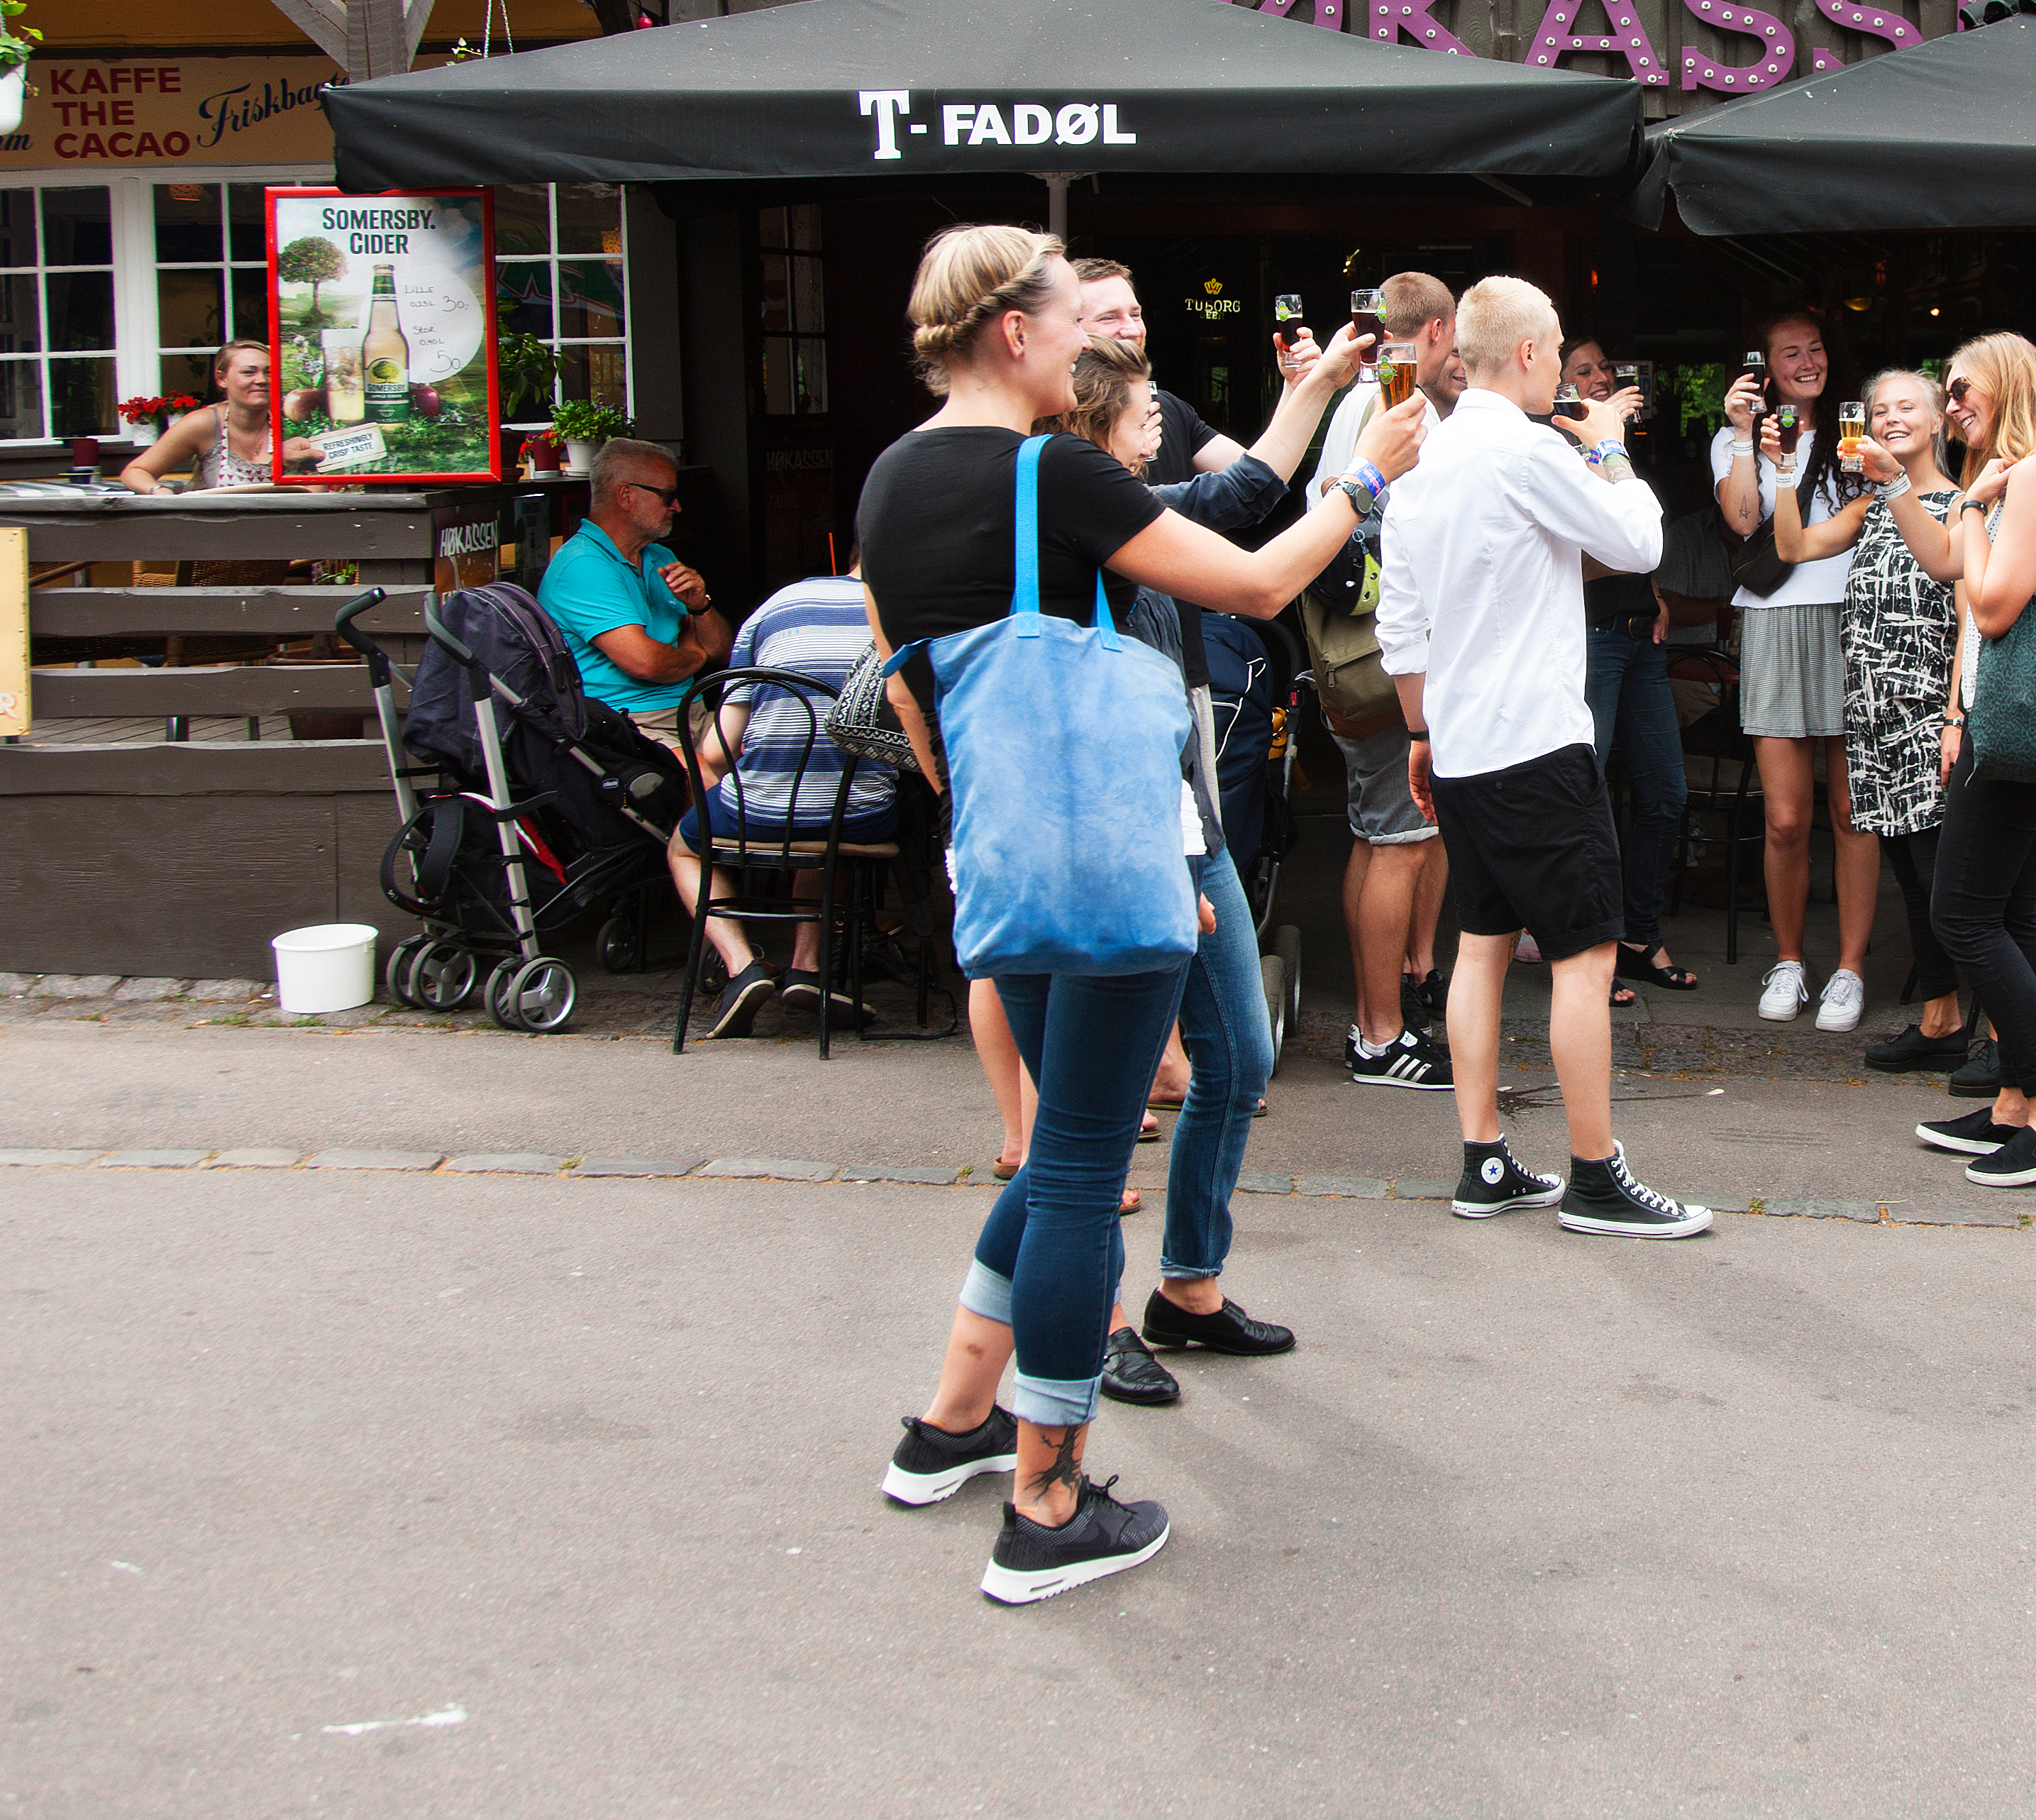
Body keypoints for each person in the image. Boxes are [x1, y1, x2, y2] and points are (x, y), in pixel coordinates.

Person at [865, 226, 1422, 1604]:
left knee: (1056, 1154)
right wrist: (1363, 478)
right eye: (1069, 320)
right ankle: (1047, 1500)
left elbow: (902, 680)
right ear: (1010, 332)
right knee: (1075, 1178)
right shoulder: (1046, 469)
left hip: (1004, 844)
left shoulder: (892, 475)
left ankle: (949, 1428)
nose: (1091, 346)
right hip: (1104, 845)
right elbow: (1252, 580)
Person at [1378, 276, 1710, 1237]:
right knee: (1581, 953)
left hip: (1463, 745)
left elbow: (1401, 629)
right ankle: (1595, 1176)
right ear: (1527, 354)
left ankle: (1484, 1160)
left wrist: (1421, 735)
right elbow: (1640, 542)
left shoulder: (1421, 465)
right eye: (1558, 349)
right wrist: (1605, 442)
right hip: (1535, 742)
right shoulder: (1524, 451)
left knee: (1479, 947)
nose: (1565, 369)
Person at [1071, 260, 1350, 1116]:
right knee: (1153, 886)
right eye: (1108, 313)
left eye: (1137, 308)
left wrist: (1309, 395)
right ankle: (1140, 1081)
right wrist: (1363, 472)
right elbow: (1251, 534)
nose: (1132, 325)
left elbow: (1256, 485)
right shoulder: (1062, 464)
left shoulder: (1160, 409)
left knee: (1181, 874)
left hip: (1176, 677)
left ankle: (1174, 1070)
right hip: (1110, 714)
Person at [1901, 332, 2036, 1187]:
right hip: (2027, 721)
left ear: (2009, 389)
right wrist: (1940, 500)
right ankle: (2014, 1105)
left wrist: (1977, 508)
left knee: (1962, 918)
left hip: (2013, 722)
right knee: (2013, 914)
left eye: (1961, 391)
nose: (1951, 408)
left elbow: (1987, 607)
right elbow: (1953, 565)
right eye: (1946, 393)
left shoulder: (2031, 476)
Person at [1769, 369, 1970, 1074]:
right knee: (1912, 880)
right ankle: (1939, 1017)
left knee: (1945, 877)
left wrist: (1955, 715)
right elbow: (1791, 548)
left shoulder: (1964, 505)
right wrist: (1785, 468)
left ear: (1940, 418)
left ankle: (1978, 1029)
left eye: (1905, 407)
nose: (1888, 419)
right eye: (1878, 409)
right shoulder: (1869, 508)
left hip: (1931, 721)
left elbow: (1969, 626)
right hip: (1874, 719)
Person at [1311, 271, 1464, 1083]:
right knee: (1398, 841)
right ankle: (1379, 1036)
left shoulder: (1354, 400)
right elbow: (1409, 530)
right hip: (1386, 661)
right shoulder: (1399, 407)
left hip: (1353, 657)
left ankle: (1394, 1003)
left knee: (1383, 837)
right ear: (1437, 330)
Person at [1716, 307, 1881, 1032]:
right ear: (1764, 367)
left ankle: (1849, 968)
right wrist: (1749, 438)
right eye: (1790, 353)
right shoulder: (1735, 438)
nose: (1806, 362)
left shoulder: (1858, 435)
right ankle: (1788, 961)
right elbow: (1746, 522)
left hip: (1853, 615)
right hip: (1775, 622)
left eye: (1814, 349)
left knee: (1851, 810)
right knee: (1786, 819)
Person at [666, 561, 900, 1039]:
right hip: (860, 816)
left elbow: (716, 751)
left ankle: (742, 966)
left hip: (759, 812)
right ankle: (806, 968)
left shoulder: (775, 609)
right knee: (827, 826)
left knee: (682, 849)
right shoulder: (907, 614)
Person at [1564, 335, 1695, 1000]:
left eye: (1604, 368)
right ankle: (1594, 947)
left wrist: (1657, 595)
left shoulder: (1617, 447)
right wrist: (1598, 444)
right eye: (1583, 371)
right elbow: (1586, 553)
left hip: (1641, 637)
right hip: (1589, 639)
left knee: (1666, 794)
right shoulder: (1559, 447)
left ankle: (1640, 935)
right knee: (1587, 798)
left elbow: (1640, 545)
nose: (1599, 378)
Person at [536, 438, 727, 756]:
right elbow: (647, 662)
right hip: (629, 725)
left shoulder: (659, 555)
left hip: (693, 712)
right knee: (711, 793)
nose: (676, 506)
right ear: (626, 495)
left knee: (779, 763)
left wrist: (700, 606)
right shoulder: (583, 564)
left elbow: (721, 652)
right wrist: (696, 655)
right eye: (667, 496)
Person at [119, 338, 279, 490]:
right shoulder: (204, 424)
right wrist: (159, 492)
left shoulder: (292, 424)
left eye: (269, 372)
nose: (262, 380)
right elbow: (135, 471)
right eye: (249, 372)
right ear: (222, 379)